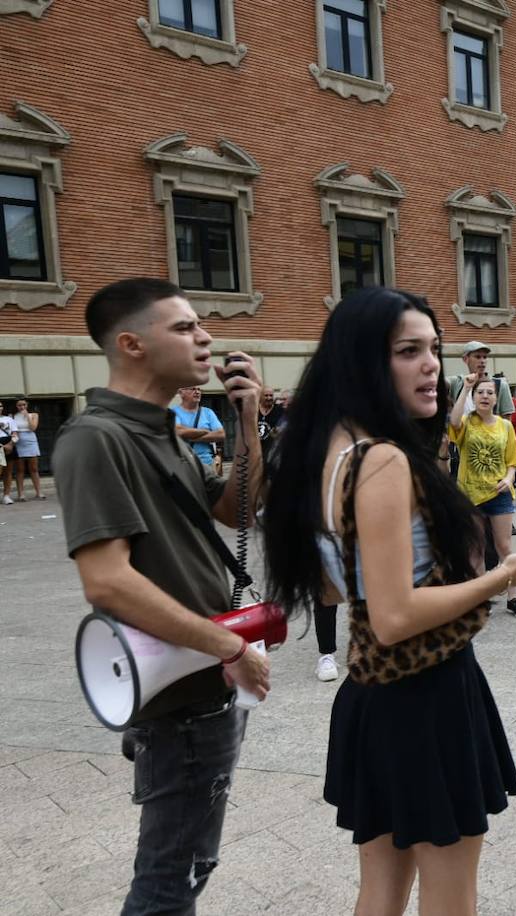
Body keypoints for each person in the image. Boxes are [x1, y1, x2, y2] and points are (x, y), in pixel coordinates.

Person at [262, 287, 516, 915]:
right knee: (449, 893)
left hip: (373, 691)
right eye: (408, 351)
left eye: (434, 348)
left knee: (380, 888)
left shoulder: (328, 450)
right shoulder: (381, 461)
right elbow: (397, 614)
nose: (431, 363)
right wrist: (504, 575)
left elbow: (333, 589)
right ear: (363, 362)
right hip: (426, 693)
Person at [53, 277, 269, 912]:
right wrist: (229, 644)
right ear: (131, 344)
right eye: (183, 327)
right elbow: (107, 580)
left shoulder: (163, 429)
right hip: (178, 695)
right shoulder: (95, 438)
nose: (205, 338)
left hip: (199, 682)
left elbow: (237, 510)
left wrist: (248, 420)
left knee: (186, 867)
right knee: (169, 880)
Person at [450, 377, 516, 617]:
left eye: (489, 393)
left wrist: (508, 478)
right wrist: (465, 387)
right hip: (470, 494)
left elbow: (512, 460)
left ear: (496, 398)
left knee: (504, 547)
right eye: (480, 393)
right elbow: (452, 423)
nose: (484, 396)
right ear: (474, 398)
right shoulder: (465, 422)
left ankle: (513, 597)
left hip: (499, 494)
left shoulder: (505, 426)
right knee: (476, 550)